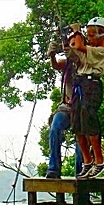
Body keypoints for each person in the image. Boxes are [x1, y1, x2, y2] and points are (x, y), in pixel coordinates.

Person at [67, 16, 104, 179]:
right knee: (76, 123)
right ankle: (87, 161)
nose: (89, 38)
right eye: (88, 34)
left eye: (92, 35)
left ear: (102, 35)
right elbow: (74, 47)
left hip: (91, 85)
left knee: (88, 118)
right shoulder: (89, 49)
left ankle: (99, 160)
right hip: (80, 83)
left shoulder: (101, 50)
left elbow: (78, 45)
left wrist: (77, 31)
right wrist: (71, 35)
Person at [45, 39, 83, 179]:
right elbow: (56, 65)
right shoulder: (67, 64)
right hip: (66, 106)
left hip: (81, 107)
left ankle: (81, 171)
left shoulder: (84, 61)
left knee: (81, 137)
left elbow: (81, 61)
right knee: (55, 129)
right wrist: (52, 54)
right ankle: (53, 168)